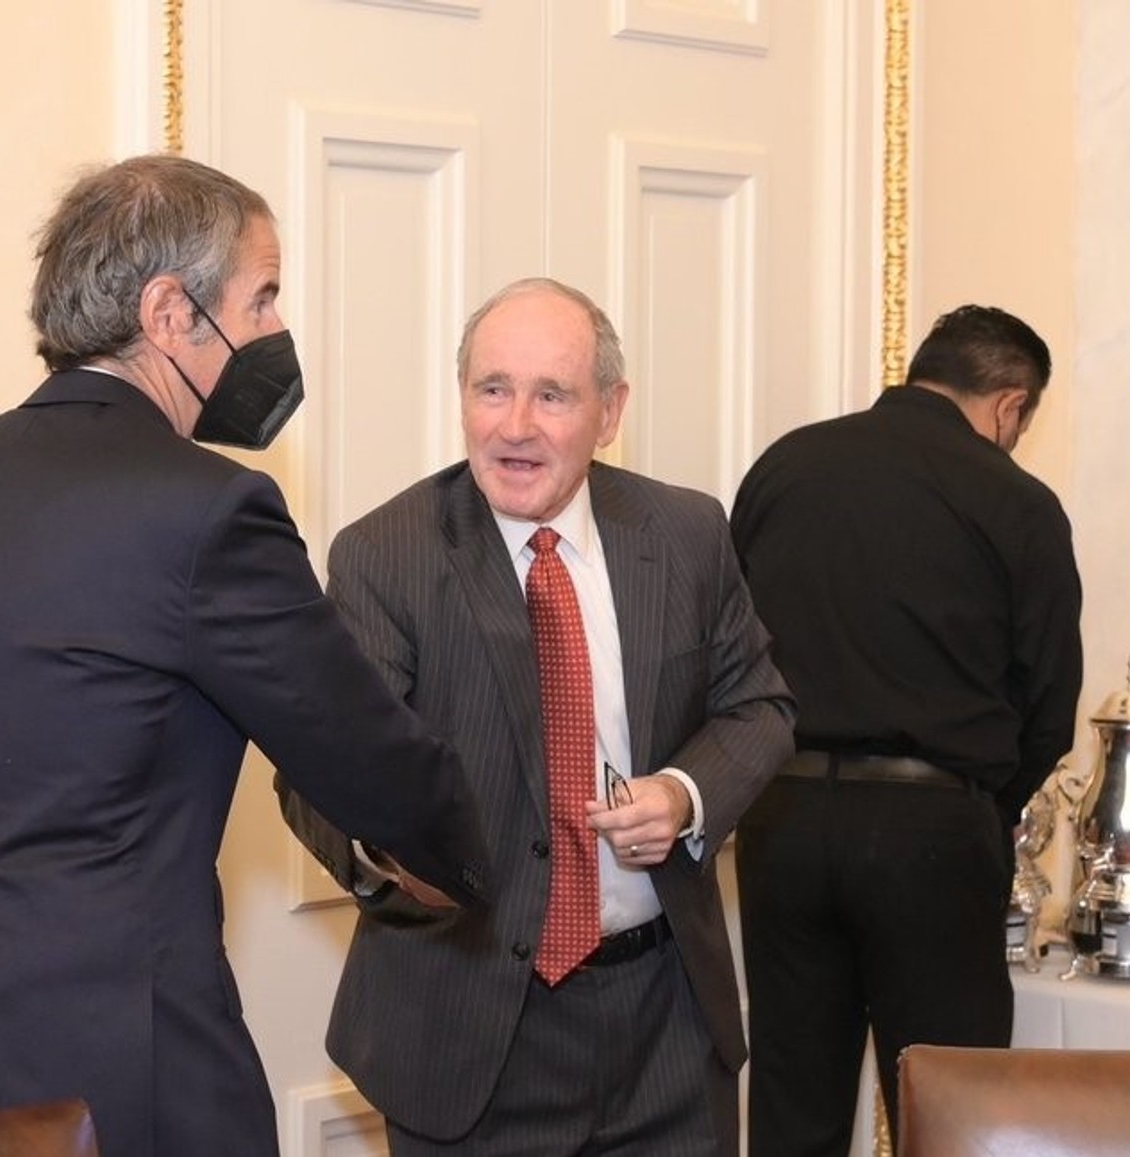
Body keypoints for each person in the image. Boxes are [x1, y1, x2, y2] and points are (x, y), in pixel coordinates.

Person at [0, 154, 489, 1157]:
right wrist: (472, 866)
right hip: (123, 1063)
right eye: (263, 297)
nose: (276, 329)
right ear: (171, 313)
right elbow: (371, 761)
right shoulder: (209, 509)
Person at [278, 277, 795, 1156]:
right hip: (468, 1031)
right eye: (493, 389)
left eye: (552, 395)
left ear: (610, 411)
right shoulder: (387, 555)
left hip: (666, 1025)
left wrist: (683, 793)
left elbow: (759, 704)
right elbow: (318, 772)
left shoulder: (685, 532)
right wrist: (394, 858)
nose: (515, 426)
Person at [728, 304, 1085, 1156]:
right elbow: (1050, 702)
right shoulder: (1015, 499)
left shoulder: (784, 465)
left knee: (791, 1106)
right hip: (931, 829)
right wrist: (980, 805)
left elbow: (727, 650)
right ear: (1009, 404)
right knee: (951, 1111)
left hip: (781, 816)